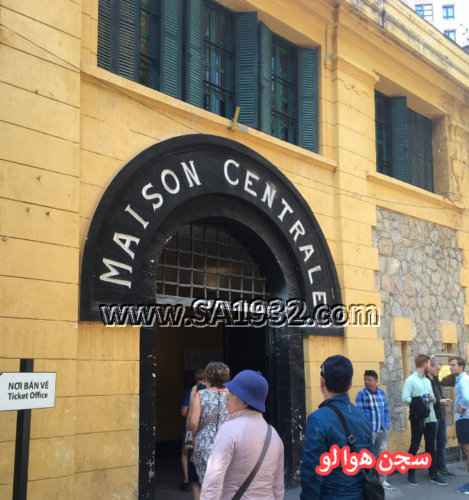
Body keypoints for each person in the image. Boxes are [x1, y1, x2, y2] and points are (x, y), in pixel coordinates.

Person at [201, 370, 284, 500]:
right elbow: (278, 485)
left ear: (245, 399)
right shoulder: (273, 434)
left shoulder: (230, 429)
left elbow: (214, 477)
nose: (227, 396)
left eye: (233, 393)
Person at [300, 355, 374, 500]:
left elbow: (312, 472)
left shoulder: (318, 419)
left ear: (322, 382)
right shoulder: (363, 417)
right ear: (350, 384)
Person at [402, 354, 446, 486]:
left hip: (431, 417)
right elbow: (405, 398)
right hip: (417, 418)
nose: (430, 366)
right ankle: (410, 474)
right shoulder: (410, 380)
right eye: (428, 364)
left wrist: (432, 399)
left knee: (430, 446)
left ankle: (433, 473)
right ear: (424, 365)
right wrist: (420, 401)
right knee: (414, 446)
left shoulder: (427, 381)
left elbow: (431, 397)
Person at [190, 362, 231, 491]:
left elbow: (194, 421)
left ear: (208, 376)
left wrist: (193, 435)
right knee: (225, 483)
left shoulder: (201, 394)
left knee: (206, 483)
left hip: (204, 442)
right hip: (226, 442)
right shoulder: (232, 394)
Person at [355, 369, 397, 491]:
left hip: (382, 430)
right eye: (365, 380)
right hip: (370, 431)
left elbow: (386, 410)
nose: (367, 382)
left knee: (382, 455)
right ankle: (369, 482)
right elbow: (361, 414)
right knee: (369, 457)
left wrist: (387, 424)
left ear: (376, 381)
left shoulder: (381, 393)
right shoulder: (361, 394)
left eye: (369, 380)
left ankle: (382, 480)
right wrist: (366, 429)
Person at [426, 358, 455, 479]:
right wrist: (440, 401)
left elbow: (438, 395)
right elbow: (427, 399)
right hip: (432, 417)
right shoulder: (425, 381)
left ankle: (441, 467)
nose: (438, 371)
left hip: (441, 415)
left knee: (442, 442)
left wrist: (444, 399)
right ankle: (433, 470)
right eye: (437, 369)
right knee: (431, 444)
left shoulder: (436, 379)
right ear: (430, 367)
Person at [184, 368, 207, 496]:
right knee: (207, 476)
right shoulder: (225, 391)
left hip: (197, 435)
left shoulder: (196, 390)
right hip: (213, 438)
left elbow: (190, 417)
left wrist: (189, 435)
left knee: (194, 477)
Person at [449, 356, 469, 494]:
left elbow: (467, 398)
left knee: (468, 452)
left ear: (461, 367)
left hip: (464, 419)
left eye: (453, 365)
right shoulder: (464, 379)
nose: (450, 367)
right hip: (465, 419)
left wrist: (464, 407)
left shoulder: (462, 381)